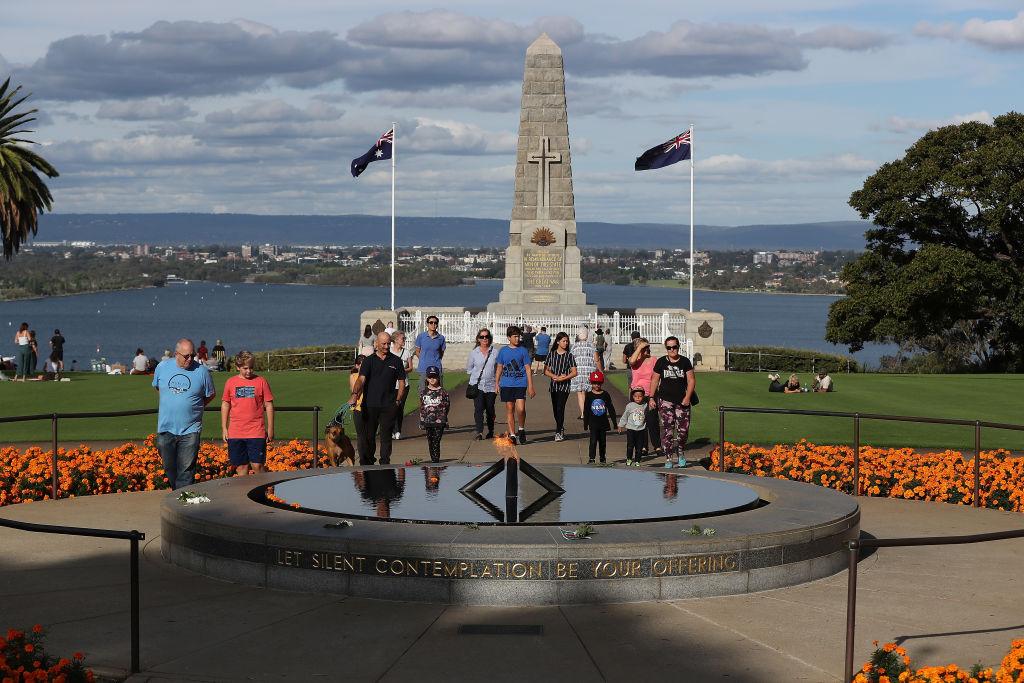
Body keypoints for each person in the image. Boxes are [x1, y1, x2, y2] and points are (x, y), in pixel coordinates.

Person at [153, 338, 216, 490]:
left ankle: (181, 500)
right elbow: (158, 387)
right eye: (186, 356)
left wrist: (194, 407)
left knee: (186, 470)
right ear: (176, 354)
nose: (190, 359)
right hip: (166, 427)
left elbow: (210, 394)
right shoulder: (162, 367)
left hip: (190, 429)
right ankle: (177, 493)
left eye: (192, 355)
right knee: (169, 467)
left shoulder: (201, 372)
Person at [349, 332, 406, 465]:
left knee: (386, 437)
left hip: (389, 406)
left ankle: (385, 463)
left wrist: (398, 400)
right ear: (377, 344)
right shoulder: (368, 361)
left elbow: (402, 382)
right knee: (369, 437)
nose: (386, 346)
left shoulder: (396, 361)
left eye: (388, 343)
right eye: (384, 344)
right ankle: (369, 462)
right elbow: (361, 379)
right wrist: (354, 393)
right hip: (369, 406)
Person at [221, 350, 275, 477]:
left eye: (251, 368)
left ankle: (265, 492)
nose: (249, 371)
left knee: (257, 465)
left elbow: (269, 405)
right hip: (235, 432)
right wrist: (224, 427)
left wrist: (270, 428)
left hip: (256, 431)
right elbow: (225, 404)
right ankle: (243, 496)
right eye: (245, 368)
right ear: (237, 367)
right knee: (241, 467)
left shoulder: (261, 381)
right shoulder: (230, 382)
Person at [649, 336, 696, 469]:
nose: (672, 350)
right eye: (669, 347)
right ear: (666, 348)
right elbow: (654, 380)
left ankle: (680, 452)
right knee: (668, 431)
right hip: (665, 400)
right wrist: (651, 397)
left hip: (682, 401)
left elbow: (691, 380)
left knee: (683, 432)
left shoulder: (685, 362)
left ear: (678, 347)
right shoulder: (661, 362)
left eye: (674, 347)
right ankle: (668, 457)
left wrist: (687, 397)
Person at [495, 325, 535, 445]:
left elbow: (528, 369)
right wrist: (496, 383)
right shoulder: (503, 351)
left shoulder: (523, 350)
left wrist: (530, 385)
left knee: (521, 409)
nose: (517, 339)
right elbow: (499, 368)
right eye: (515, 337)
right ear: (509, 338)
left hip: (520, 383)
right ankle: (512, 434)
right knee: (510, 409)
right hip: (506, 384)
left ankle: (521, 429)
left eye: (518, 336)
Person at [629, 338, 663, 458]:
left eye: (645, 346)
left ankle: (657, 445)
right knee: (639, 421)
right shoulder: (635, 360)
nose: (644, 349)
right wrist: (639, 348)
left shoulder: (653, 360)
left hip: (650, 394)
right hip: (636, 394)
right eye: (641, 347)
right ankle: (643, 446)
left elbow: (657, 377)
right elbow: (631, 362)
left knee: (652, 420)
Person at [466, 327, 499, 440]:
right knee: (479, 408)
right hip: (478, 385)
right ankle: (479, 432)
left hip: (491, 385)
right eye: (482, 337)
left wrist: (497, 383)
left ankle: (491, 430)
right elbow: (469, 369)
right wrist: (476, 377)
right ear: (478, 339)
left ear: (490, 338)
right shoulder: (474, 353)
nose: (484, 339)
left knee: (490, 409)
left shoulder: (495, 352)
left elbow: (499, 369)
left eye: (487, 337)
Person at [543, 332, 577, 442]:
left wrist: (564, 378)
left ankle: (558, 432)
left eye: (567, 341)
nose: (566, 343)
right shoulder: (551, 354)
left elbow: (574, 372)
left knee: (560, 408)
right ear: (558, 341)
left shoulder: (569, 355)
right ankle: (560, 426)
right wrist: (555, 376)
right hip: (554, 386)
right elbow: (546, 370)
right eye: (564, 341)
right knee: (555, 409)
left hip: (564, 386)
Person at [583, 371, 617, 464]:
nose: (597, 385)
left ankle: (602, 458)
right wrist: (585, 424)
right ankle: (591, 458)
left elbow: (611, 408)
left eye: (598, 383)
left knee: (602, 442)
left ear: (601, 383)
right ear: (591, 383)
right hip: (593, 423)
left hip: (603, 423)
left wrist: (615, 423)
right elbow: (586, 410)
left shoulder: (605, 394)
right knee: (593, 441)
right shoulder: (589, 395)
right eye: (594, 383)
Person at [418, 366, 450, 463]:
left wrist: (445, 418)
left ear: (438, 378)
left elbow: (447, 406)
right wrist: (421, 420)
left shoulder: (443, 392)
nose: (432, 379)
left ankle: (436, 460)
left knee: (436, 441)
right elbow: (422, 407)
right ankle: (433, 459)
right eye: (430, 377)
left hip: (439, 420)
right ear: (427, 378)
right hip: (428, 421)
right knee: (430, 441)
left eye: (434, 377)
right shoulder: (424, 392)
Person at [570, 329, 600, 421]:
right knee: (588, 392)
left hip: (577, 372)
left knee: (580, 392)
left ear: (578, 336)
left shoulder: (574, 346)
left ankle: (583, 413)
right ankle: (589, 412)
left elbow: (571, 360)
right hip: (589, 372)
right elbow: (596, 359)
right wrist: (600, 371)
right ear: (587, 336)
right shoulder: (592, 346)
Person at [413, 315, 446, 396]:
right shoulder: (421, 336)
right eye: (431, 322)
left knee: (438, 393)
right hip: (424, 368)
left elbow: (441, 353)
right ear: (427, 324)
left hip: (437, 367)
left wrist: (435, 360)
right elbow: (417, 351)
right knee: (422, 392)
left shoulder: (441, 338)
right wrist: (423, 359)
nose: (433, 324)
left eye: (435, 323)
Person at [390, 331, 414, 441]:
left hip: (404, 384)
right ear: (395, 340)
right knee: (391, 408)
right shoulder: (389, 352)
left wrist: (401, 370)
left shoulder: (407, 352)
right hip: (390, 385)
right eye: (402, 339)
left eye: (404, 338)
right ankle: (391, 430)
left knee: (399, 408)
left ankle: (398, 430)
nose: (404, 340)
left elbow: (410, 368)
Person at [618, 387, 648, 466]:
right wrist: (620, 425)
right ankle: (629, 459)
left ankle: (637, 461)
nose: (638, 398)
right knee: (630, 446)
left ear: (643, 396)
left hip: (641, 430)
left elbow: (650, 412)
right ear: (632, 397)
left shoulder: (645, 405)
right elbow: (625, 416)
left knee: (639, 447)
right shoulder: (630, 406)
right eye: (635, 396)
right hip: (631, 429)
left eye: (640, 396)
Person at [348, 355, 365, 463]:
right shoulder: (353, 376)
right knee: (360, 434)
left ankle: (367, 455)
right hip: (358, 407)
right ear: (357, 365)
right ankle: (362, 456)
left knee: (368, 433)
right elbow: (355, 389)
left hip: (370, 406)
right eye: (362, 366)